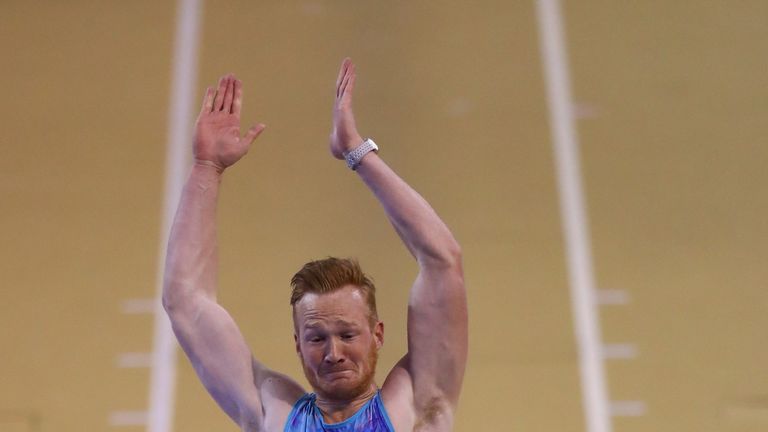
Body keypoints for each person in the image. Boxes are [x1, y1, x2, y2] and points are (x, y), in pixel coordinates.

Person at [162, 58, 467, 431]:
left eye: (347, 334)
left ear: (377, 335)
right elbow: (185, 299)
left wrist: (356, 152)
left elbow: (442, 261)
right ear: (298, 344)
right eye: (317, 338)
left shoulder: (417, 405)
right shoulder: (273, 413)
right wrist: (206, 167)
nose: (333, 353)